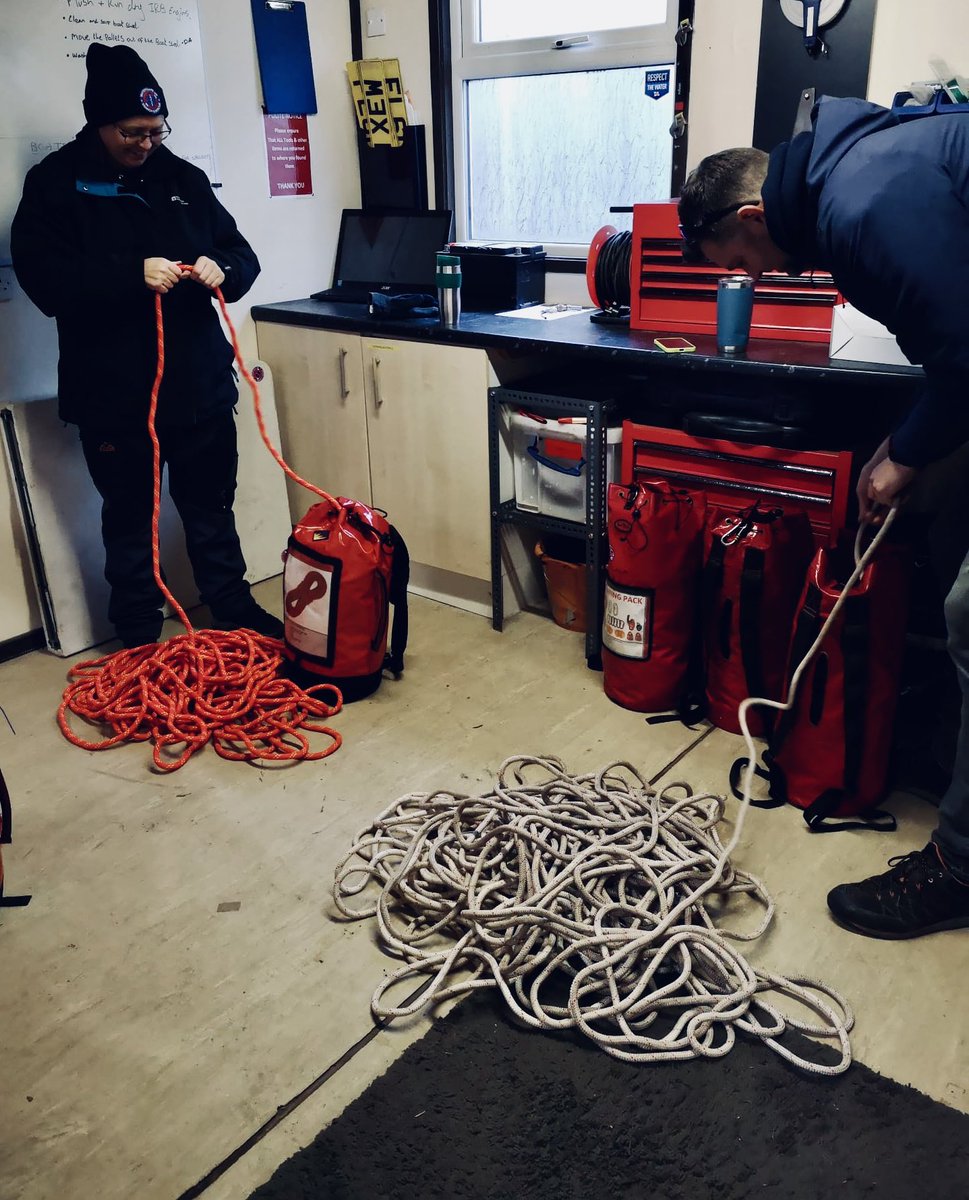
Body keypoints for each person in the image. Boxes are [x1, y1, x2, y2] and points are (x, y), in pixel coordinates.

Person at [677, 94, 969, 939]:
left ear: (752, 215)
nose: (756, 278)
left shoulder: (864, 198)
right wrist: (911, 445)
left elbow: (963, 346)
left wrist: (906, 454)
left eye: (743, 259)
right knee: (945, 535)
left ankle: (956, 866)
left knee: (967, 611)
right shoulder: (861, 170)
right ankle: (945, 759)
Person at [11, 42, 284, 649]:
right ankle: (138, 636)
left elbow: (243, 255)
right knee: (131, 522)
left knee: (213, 509)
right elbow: (43, 279)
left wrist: (223, 266)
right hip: (115, 394)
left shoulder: (182, 178)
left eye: (157, 131)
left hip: (200, 386)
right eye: (132, 132)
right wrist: (128, 275)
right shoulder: (55, 184)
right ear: (99, 121)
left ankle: (232, 610)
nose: (146, 144)